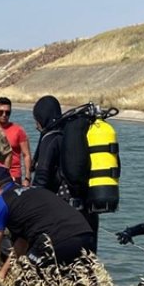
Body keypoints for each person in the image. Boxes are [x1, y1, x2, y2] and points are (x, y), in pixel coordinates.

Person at [0, 167, 95, 284]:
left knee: (25, 284)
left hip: (57, 240)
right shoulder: (33, 191)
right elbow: (22, 244)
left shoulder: (1, 202)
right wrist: (2, 275)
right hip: (86, 234)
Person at [30, 94, 100, 253]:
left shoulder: (51, 138)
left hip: (64, 213)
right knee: (89, 263)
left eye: (37, 119)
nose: (36, 125)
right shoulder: (78, 136)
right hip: (89, 212)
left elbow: (41, 178)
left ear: (43, 116)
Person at [0, 97, 32, 186]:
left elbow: (26, 155)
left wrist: (27, 178)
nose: (4, 115)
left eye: (7, 112)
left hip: (14, 176)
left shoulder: (18, 130)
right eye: (1, 112)